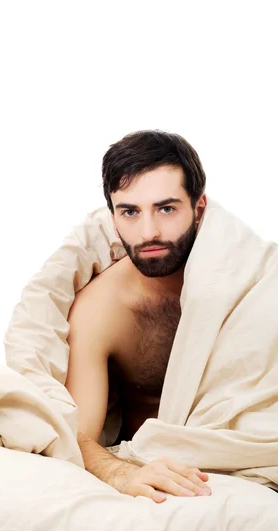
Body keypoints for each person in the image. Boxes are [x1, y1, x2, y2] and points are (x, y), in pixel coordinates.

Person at [65, 130, 212, 503]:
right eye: (130, 212)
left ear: (198, 209)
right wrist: (121, 472)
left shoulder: (246, 281)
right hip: (163, 478)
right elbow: (76, 436)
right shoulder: (100, 309)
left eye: (166, 208)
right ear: (113, 219)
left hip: (255, 461)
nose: (149, 233)